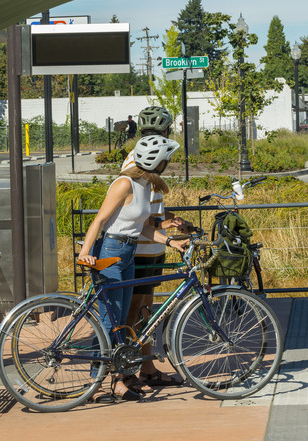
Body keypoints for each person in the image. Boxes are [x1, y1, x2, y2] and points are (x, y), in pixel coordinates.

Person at [78, 133, 187, 402]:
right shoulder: (124, 183)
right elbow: (99, 221)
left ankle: (116, 381)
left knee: (122, 324)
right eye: (166, 161)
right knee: (108, 320)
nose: (167, 165)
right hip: (112, 251)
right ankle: (96, 384)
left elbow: (145, 230)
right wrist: (84, 253)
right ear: (156, 161)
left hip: (128, 253)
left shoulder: (144, 184)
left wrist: (172, 242)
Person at [121, 106, 192, 394]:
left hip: (151, 247)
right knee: (134, 312)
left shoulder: (147, 156)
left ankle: (147, 368)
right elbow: (135, 213)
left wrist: (172, 221)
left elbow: (150, 209)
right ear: (166, 131)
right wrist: (167, 234)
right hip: (140, 247)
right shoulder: (138, 161)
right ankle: (126, 370)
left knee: (146, 310)